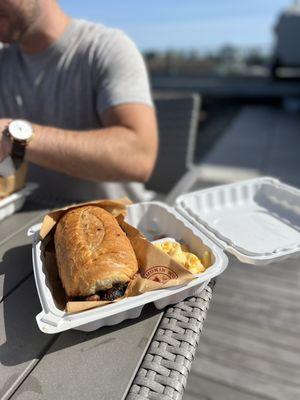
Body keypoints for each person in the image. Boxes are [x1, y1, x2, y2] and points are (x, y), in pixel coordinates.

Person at [0, 0, 158, 204]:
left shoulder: (106, 49)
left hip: (112, 225)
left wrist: (15, 137)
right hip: (22, 225)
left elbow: (139, 157)